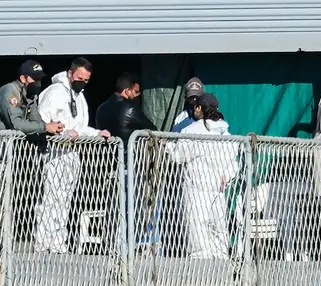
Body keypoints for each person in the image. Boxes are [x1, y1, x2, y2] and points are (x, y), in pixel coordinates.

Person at [34, 57, 112, 254]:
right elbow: (43, 121)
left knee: (64, 199)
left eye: (86, 80)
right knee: (51, 198)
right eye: (79, 78)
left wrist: (96, 133)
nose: (82, 82)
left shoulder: (79, 96)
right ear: (70, 73)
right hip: (53, 152)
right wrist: (61, 133)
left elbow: (79, 127)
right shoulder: (54, 92)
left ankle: (58, 243)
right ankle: (43, 244)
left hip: (71, 152)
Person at [168, 93, 237, 260]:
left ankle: (200, 275)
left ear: (199, 108)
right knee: (218, 228)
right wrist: (226, 176)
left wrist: (168, 147)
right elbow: (234, 163)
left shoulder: (192, 130)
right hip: (218, 189)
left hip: (196, 188)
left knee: (197, 229)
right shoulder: (225, 133)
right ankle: (222, 267)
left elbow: (178, 156)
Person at [0, 60, 65, 137]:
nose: (38, 83)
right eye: (35, 79)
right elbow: (16, 124)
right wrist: (45, 127)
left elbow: (36, 120)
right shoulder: (10, 91)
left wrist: (52, 128)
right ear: (23, 78)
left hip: (3, 145)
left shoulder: (30, 95)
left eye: (40, 79)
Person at [96, 72, 154, 143]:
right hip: (127, 151)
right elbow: (152, 129)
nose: (138, 95)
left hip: (105, 152)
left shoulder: (101, 108)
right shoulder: (130, 109)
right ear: (127, 91)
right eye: (136, 91)